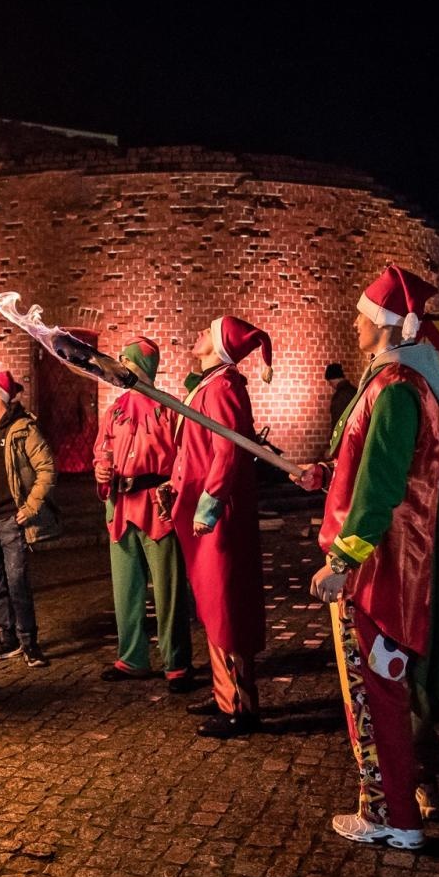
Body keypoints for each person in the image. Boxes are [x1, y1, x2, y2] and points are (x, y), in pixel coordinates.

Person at [300, 263, 439, 850]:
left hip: (380, 569)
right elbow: (365, 467)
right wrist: (325, 474)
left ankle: (394, 816)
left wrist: (341, 562)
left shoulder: (395, 389)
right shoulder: (391, 383)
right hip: (384, 563)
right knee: (380, 691)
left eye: (362, 315)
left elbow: (381, 489)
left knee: (376, 696)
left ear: (388, 324)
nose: (355, 324)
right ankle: (395, 811)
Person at [171, 315, 272, 739]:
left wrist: (209, 503)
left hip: (220, 516)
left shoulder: (224, 387)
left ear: (219, 345)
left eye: (206, 331)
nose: (197, 333)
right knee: (214, 605)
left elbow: (227, 450)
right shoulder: (210, 384)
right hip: (205, 511)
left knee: (227, 607)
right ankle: (222, 692)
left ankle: (239, 707)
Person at [93, 337, 192, 689]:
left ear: (143, 367)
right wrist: (101, 469)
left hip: (157, 508)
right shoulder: (115, 410)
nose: (119, 369)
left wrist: (174, 491)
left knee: (168, 591)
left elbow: (185, 457)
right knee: (126, 589)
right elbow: (103, 449)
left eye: (126, 362)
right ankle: (132, 657)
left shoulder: (170, 410)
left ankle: (177, 663)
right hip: (121, 507)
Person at [0, 370, 59, 669]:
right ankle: (7, 639)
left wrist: (30, 508)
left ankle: (29, 643)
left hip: (10, 521)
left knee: (18, 585)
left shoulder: (23, 429)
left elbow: (47, 469)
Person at [325, 361, 358, 430]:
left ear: (333, 379)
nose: (330, 385)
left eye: (330, 382)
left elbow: (337, 421)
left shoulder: (339, 396)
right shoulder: (355, 391)